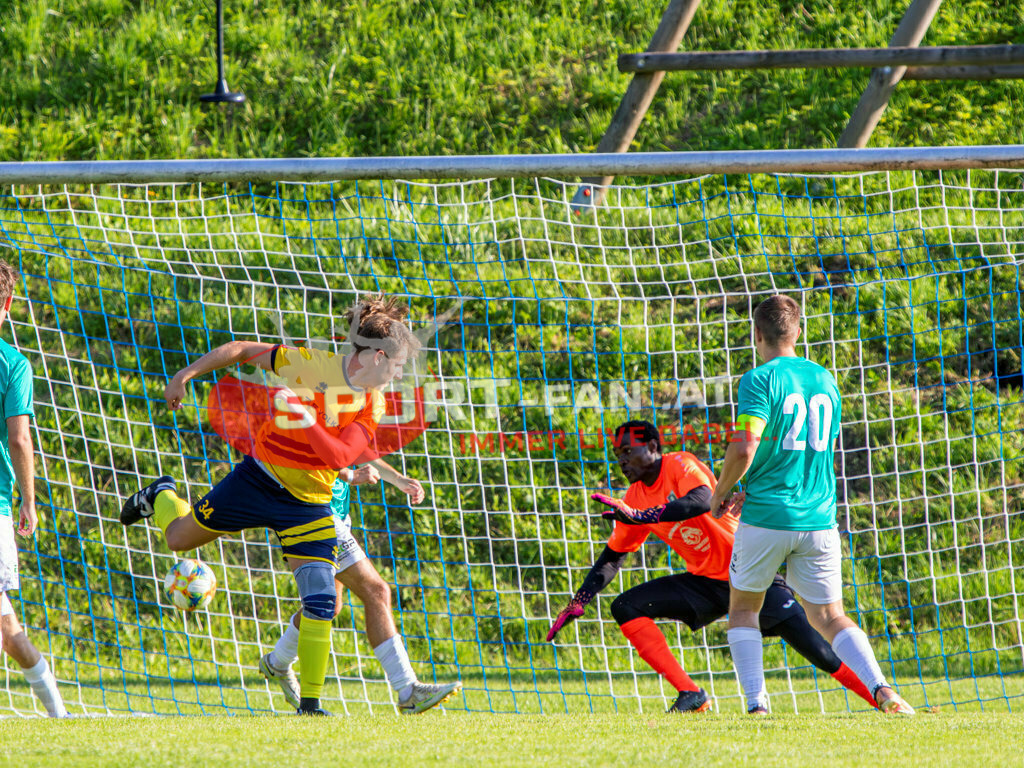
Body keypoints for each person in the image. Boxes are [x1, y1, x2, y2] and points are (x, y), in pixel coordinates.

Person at [120, 293, 419, 716]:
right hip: (257, 480)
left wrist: (303, 417)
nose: (400, 373)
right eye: (398, 364)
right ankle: (161, 494)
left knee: (322, 601)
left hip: (307, 505)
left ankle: (310, 706)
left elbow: (340, 456)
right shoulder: (310, 365)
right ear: (376, 357)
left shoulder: (374, 402)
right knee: (178, 540)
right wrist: (185, 374)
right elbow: (243, 349)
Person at [548, 419, 878, 714]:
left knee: (819, 652)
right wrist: (580, 600)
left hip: (748, 572)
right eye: (617, 455)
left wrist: (643, 516)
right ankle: (691, 694)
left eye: (627, 451)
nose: (621, 461)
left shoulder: (680, 463)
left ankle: (881, 700)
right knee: (625, 606)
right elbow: (613, 556)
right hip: (705, 583)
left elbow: (701, 500)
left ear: (652, 447)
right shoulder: (633, 498)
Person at [709, 294, 914, 715]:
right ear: (798, 331)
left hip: (767, 517)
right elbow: (804, 451)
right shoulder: (825, 379)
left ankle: (757, 705)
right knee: (830, 615)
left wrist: (721, 491)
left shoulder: (758, 379)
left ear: (757, 333)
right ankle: (883, 690)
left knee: (744, 608)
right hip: (819, 518)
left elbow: (746, 446)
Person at [259, 458, 462, 714]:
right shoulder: (314, 430)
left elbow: (357, 449)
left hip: (332, 515)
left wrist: (397, 479)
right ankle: (408, 690)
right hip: (315, 513)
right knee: (377, 591)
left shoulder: (345, 431)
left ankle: (277, 661)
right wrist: (351, 475)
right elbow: (312, 451)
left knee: (328, 606)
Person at [0, 259, 68, 718]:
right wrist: (29, 499)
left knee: (7, 630)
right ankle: (60, 715)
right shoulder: (13, 363)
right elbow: (20, 438)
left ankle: (59, 715)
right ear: (8, 303)